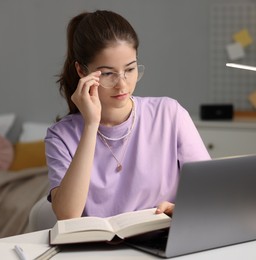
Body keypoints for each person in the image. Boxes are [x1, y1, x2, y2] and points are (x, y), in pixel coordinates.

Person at [45, 10, 210, 220]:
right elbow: (68, 216)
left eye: (130, 69)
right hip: (101, 250)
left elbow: (207, 193)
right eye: (107, 73)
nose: (122, 84)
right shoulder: (60, 136)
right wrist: (91, 125)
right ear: (81, 71)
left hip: (165, 240)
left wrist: (183, 209)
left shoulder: (169, 114)